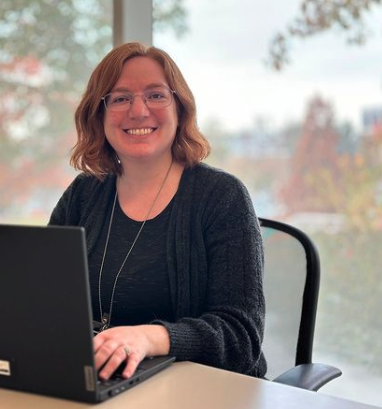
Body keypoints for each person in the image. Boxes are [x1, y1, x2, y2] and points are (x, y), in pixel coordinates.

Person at [49, 42, 266, 381]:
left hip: (203, 391)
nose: (138, 111)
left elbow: (242, 338)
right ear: (99, 114)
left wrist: (149, 338)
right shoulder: (83, 194)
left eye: (155, 95)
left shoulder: (222, 197)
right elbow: (40, 298)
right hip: (105, 383)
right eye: (120, 98)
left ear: (180, 110)